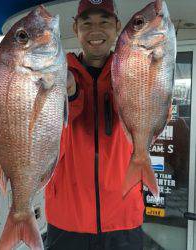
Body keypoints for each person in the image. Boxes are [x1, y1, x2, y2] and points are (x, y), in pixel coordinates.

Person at [45, 0, 144, 249]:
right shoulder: (53, 73)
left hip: (123, 219)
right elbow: (49, 136)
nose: (95, 30)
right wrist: (70, 93)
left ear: (118, 26)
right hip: (66, 219)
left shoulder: (134, 70)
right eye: (87, 23)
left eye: (104, 22)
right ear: (75, 28)